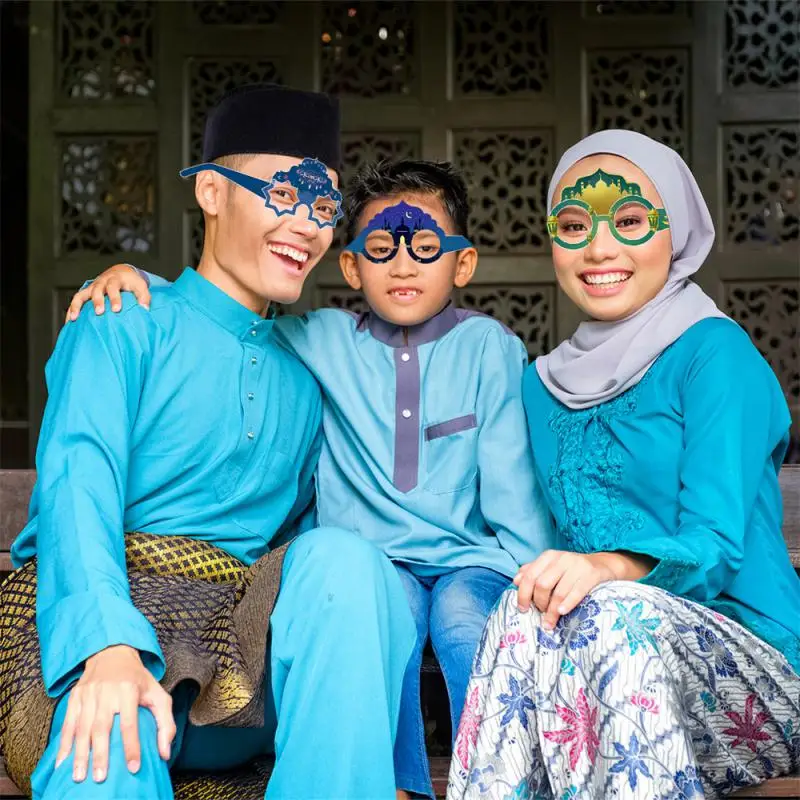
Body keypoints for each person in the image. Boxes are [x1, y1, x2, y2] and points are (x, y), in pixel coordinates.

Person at [64, 158, 555, 799]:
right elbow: (226, 316)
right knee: (387, 601)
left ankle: (500, 780)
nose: (403, 265)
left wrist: (534, 571)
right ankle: (400, 784)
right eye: (380, 249)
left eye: (425, 248)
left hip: (462, 562)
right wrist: (133, 281)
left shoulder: (488, 346)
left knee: (461, 615)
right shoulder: (320, 339)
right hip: (371, 571)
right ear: (351, 267)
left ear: (463, 264)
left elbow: (514, 481)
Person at [0, 84, 416, 800]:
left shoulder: (306, 375)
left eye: (324, 207)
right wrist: (107, 647)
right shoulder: (124, 317)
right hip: (96, 657)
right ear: (212, 192)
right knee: (112, 740)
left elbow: (315, 574)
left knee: (346, 560)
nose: (308, 225)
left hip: (237, 677)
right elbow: (77, 486)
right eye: (284, 193)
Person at [447, 130, 800, 800]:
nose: (599, 248)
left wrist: (607, 568)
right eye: (573, 226)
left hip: (754, 678)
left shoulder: (714, 354)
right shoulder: (539, 386)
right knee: (519, 613)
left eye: (631, 221)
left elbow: (716, 545)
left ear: (677, 232)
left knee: (607, 612)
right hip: (600, 680)